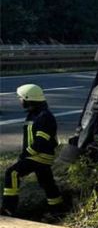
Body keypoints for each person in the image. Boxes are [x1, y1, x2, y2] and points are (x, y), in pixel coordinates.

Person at [1, 84, 64, 217]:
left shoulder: (43, 117)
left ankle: (8, 208)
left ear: (28, 99)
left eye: (21, 98)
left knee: (12, 173)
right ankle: (58, 209)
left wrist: (26, 154)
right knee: (47, 183)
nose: (20, 100)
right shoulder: (35, 114)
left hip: (39, 156)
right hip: (38, 155)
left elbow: (41, 142)